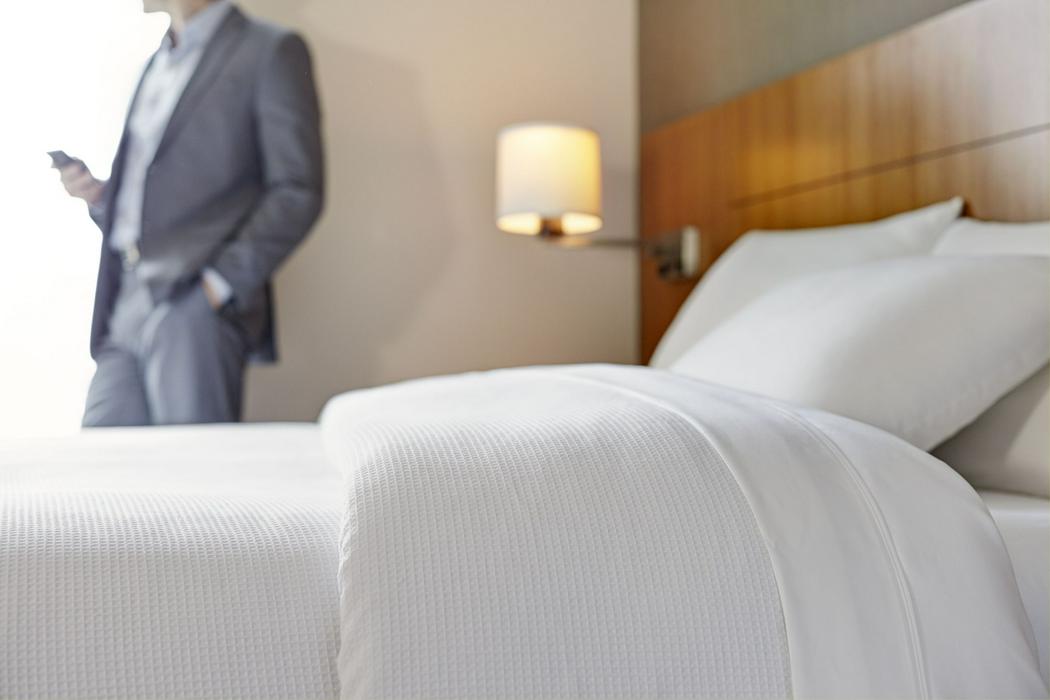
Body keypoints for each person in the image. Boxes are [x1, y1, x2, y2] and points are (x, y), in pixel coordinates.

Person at [57, 0, 323, 426]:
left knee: (193, 462)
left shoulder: (269, 51)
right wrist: (102, 200)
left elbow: (297, 189)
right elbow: (155, 190)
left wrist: (215, 288)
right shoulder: (154, 64)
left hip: (193, 306)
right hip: (123, 302)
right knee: (103, 457)